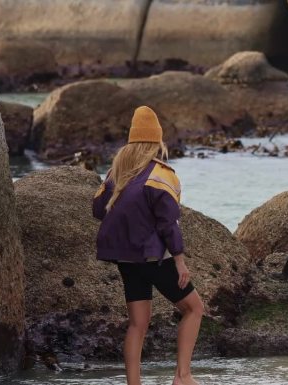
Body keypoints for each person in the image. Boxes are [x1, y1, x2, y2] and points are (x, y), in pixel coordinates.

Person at [92, 106, 204, 385]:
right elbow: (168, 224)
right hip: (155, 258)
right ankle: (183, 376)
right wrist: (179, 259)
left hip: (126, 260)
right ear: (157, 140)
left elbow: (97, 209)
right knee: (194, 308)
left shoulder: (117, 173)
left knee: (137, 324)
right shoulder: (162, 175)